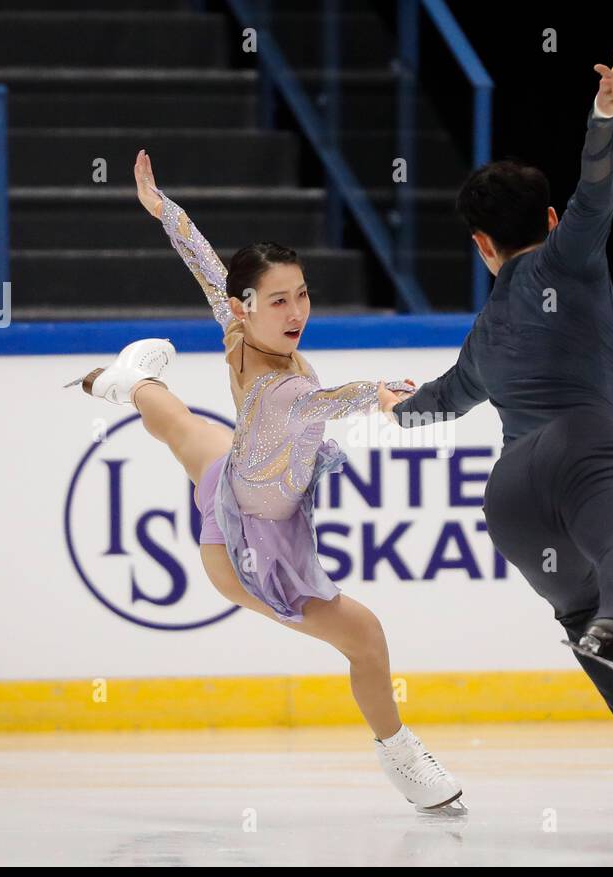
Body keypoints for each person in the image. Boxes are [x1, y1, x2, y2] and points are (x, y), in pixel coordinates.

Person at [68, 150, 465, 814]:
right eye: (279, 299)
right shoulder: (280, 386)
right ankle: (401, 757)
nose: (295, 310)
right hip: (250, 554)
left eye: (302, 294)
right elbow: (333, 400)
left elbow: (206, 266)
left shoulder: (238, 329)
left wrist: (165, 209)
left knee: (182, 426)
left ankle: (123, 381)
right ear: (248, 307)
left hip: (237, 479)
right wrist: (384, 392)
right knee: (365, 638)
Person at [381, 44, 613, 830]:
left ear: (480, 246)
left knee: (587, 626)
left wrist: (391, 409)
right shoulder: (570, 256)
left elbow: (441, 405)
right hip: (584, 452)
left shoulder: (485, 333)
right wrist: (602, 118)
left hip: (511, 499)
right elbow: (599, 189)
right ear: (550, 222)